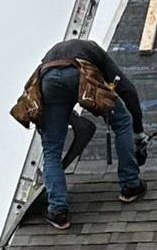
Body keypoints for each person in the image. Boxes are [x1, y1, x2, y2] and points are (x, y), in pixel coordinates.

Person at [38, 39, 146, 228]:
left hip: (47, 80)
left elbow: (37, 91)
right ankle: (130, 185)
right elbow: (127, 90)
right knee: (122, 121)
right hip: (79, 72)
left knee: (51, 149)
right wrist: (138, 133)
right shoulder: (94, 51)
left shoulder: (50, 55)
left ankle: (57, 210)